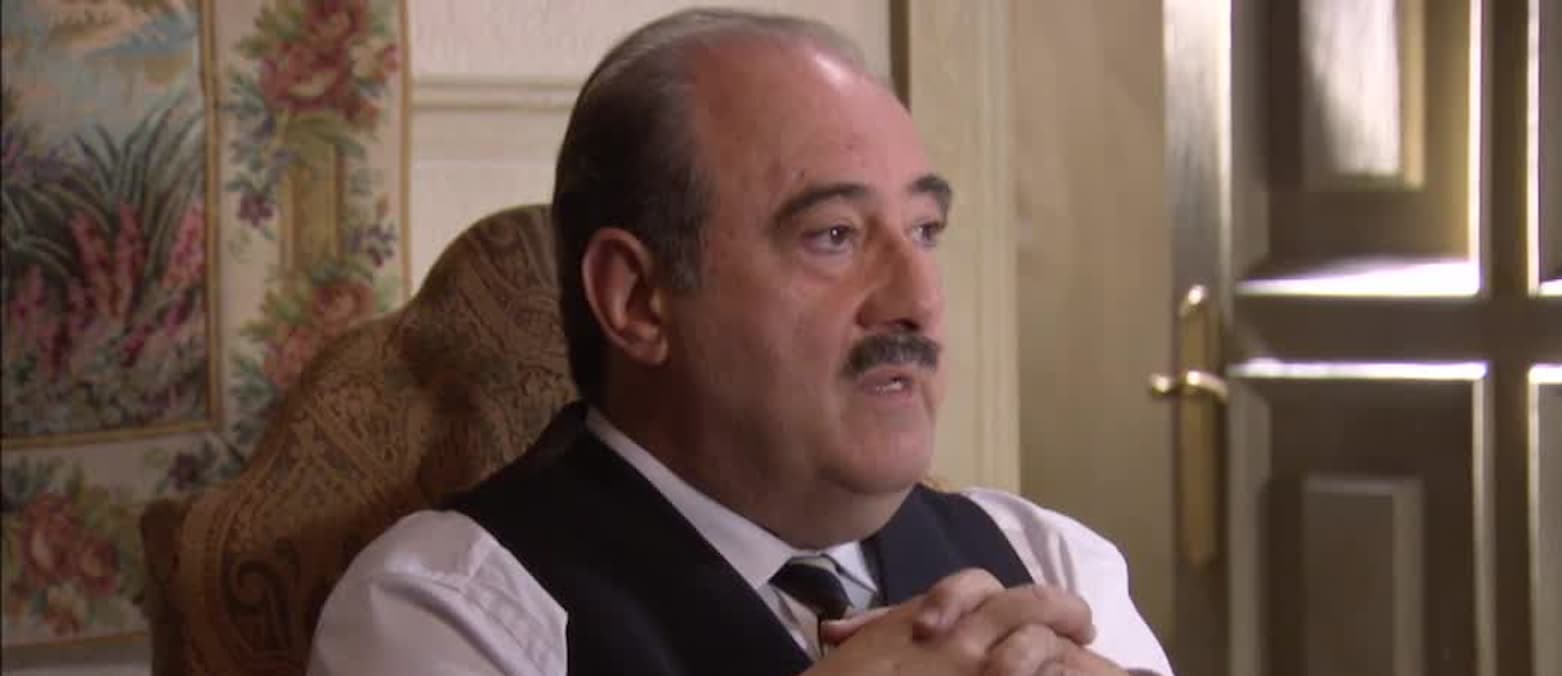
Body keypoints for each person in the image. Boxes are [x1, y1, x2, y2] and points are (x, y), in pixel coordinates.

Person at [307, 8, 1172, 676]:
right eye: (833, 236)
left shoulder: (1052, 561)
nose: (918, 301)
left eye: (924, 230)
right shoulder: (444, 611)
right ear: (638, 300)